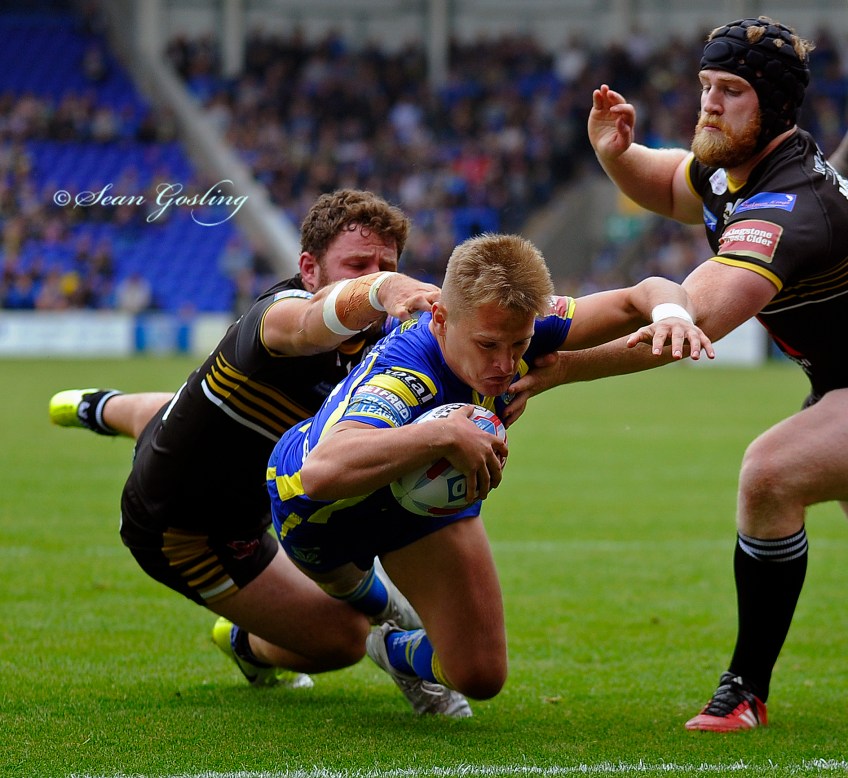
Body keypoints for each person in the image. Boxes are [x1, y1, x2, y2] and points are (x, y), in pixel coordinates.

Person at [506, 16, 848, 732]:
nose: (709, 104)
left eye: (731, 91)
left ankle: (744, 691)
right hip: (836, 386)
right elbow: (670, 184)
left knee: (770, 474)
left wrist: (565, 367)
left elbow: (691, 322)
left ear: (775, 106)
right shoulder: (737, 169)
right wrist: (615, 154)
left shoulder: (785, 208)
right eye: (705, 86)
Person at [266, 232, 713, 717]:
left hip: (420, 502)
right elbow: (322, 472)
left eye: (519, 344)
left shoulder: (518, 317)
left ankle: (391, 651)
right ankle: (247, 643)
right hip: (322, 513)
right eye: (487, 345)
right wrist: (442, 435)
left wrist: (673, 315)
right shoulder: (405, 374)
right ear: (441, 320)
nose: (505, 364)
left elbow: (641, 294)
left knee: (479, 675)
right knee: (356, 611)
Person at [49, 189, 440, 691]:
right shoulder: (279, 316)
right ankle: (244, 645)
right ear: (309, 269)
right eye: (358, 265)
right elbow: (308, 325)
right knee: (343, 639)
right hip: (187, 529)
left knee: (175, 412)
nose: (374, 276)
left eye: (386, 266)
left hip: (211, 444)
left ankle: (100, 406)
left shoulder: (384, 341)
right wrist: (383, 288)